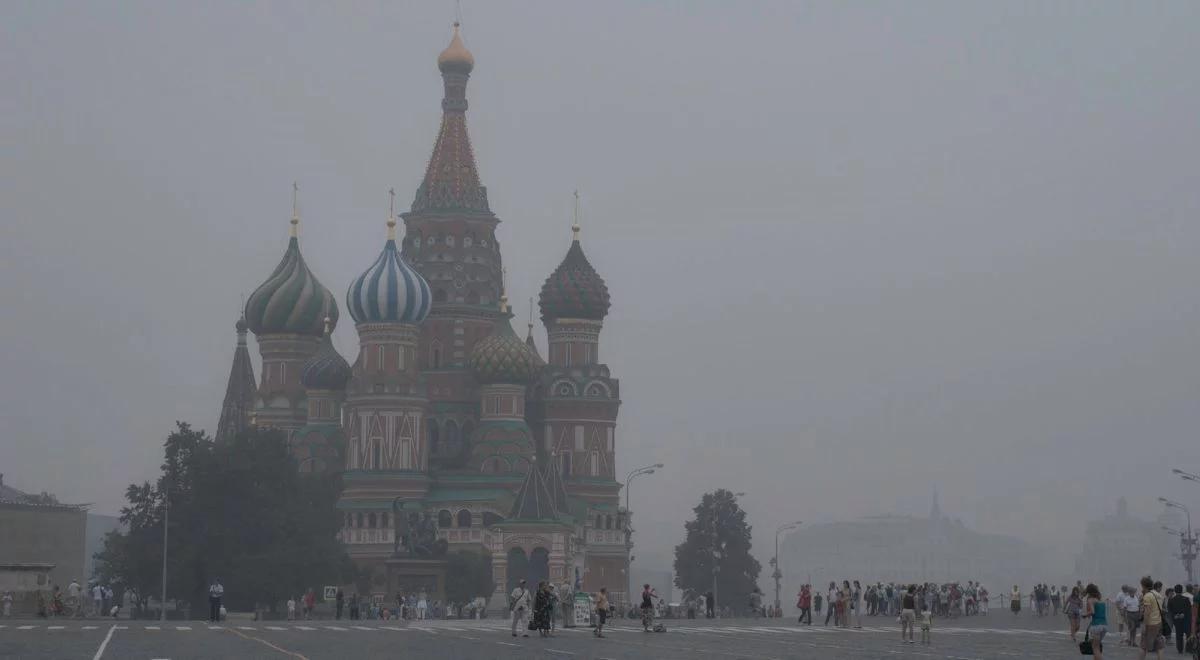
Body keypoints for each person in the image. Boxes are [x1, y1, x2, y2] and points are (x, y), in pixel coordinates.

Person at [1139, 576, 1165, 660]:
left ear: (1143, 585)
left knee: (1143, 646)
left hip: (1150, 623)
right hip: (1159, 622)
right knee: (1159, 646)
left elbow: (1147, 612)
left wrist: (1144, 625)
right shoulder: (1158, 595)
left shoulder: (1148, 596)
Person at [1084, 584, 1108, 660]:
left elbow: (1092, 612)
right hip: (1104, 625)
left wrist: (1085, 615)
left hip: (1096, 626)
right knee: (1096, 646)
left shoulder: (1091, 600)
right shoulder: (1101, 600)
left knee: (1095, 649)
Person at [1167, 584, 1189, 654]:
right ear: (1182, 590)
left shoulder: (1171, 600)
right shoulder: (1186, 599)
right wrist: (1184, 614)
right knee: (1187, 633)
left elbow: (1169, 610)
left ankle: (1180, 649)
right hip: (1185, 619)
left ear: (1175, 591)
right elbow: (1188, 609)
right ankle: (1188, 648)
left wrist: (1174, 616)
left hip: (1176, 619)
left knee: (1179, 635)